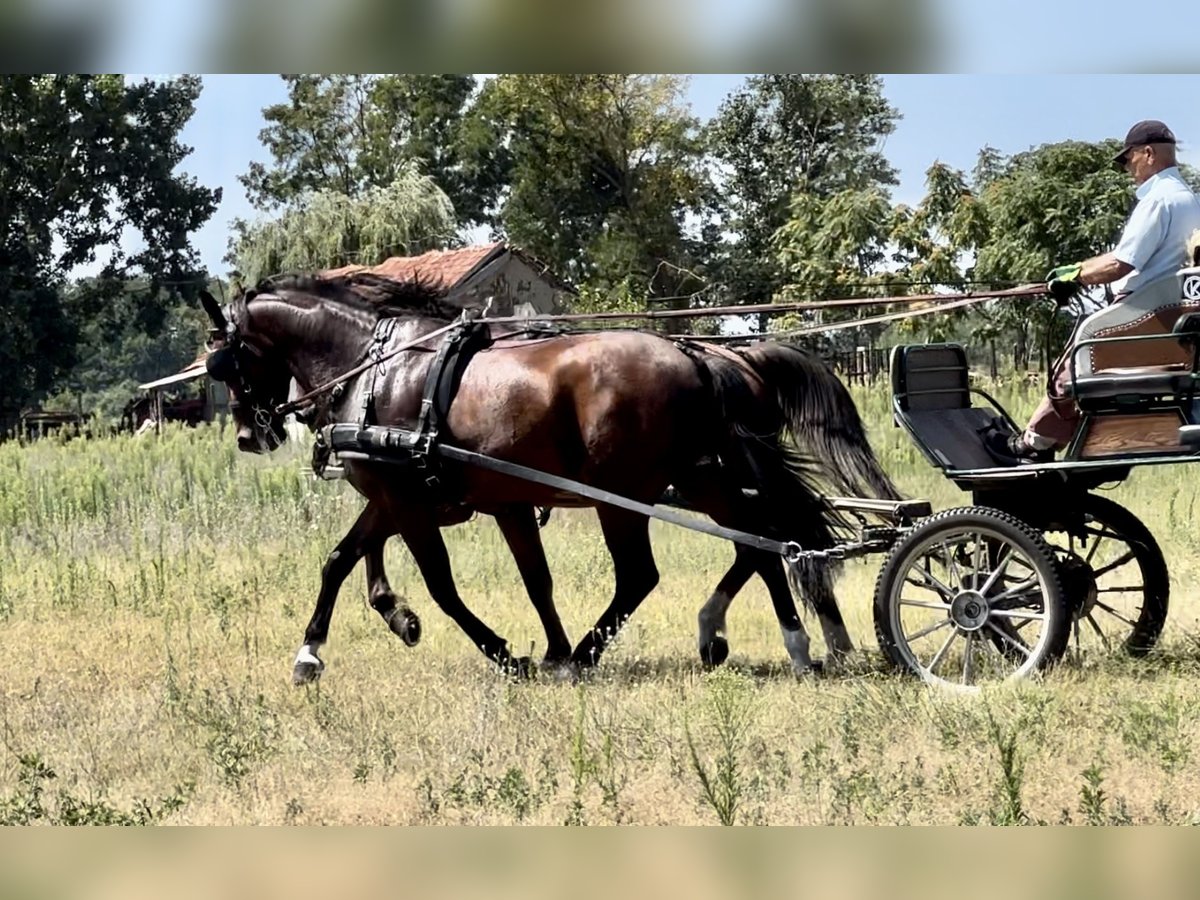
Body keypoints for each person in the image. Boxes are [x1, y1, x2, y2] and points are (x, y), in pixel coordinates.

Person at [986, 119, 1200, 465]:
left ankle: (1036, 442)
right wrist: (1081, 270)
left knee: (1072, 361)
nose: (1128, 168)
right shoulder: (1190, 199)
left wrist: (1075, 275)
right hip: (1166, 316)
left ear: (1148, 153)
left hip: (1139, 313)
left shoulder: (1159, 201)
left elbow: (1121, 264)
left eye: (1129, 158)